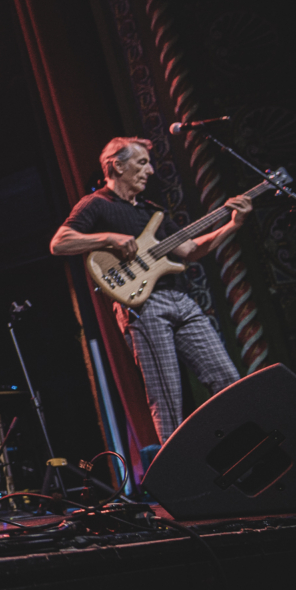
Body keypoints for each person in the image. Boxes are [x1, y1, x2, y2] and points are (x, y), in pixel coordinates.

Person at [49, 136, 250, 442]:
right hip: (143, 306)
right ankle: (179, 474)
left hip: (180, 300)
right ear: (117, 165)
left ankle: (244, 443)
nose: (150, 170)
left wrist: (232, 224)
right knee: (167, 397)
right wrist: (108, 238)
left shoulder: (151, 210)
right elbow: (59, 242)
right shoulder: (96, 204)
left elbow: (188, 249)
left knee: (227, 378)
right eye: (142, 162)